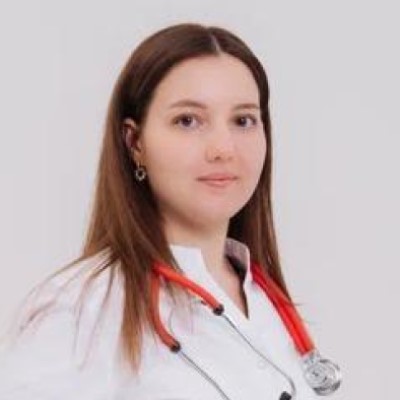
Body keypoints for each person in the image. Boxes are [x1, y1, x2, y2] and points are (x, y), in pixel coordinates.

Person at [0, 23, 340, 399]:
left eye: (243, 120)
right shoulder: (81, 311)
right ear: (135, 143)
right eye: (188, 121)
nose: (223, 148)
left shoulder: (268, 304)